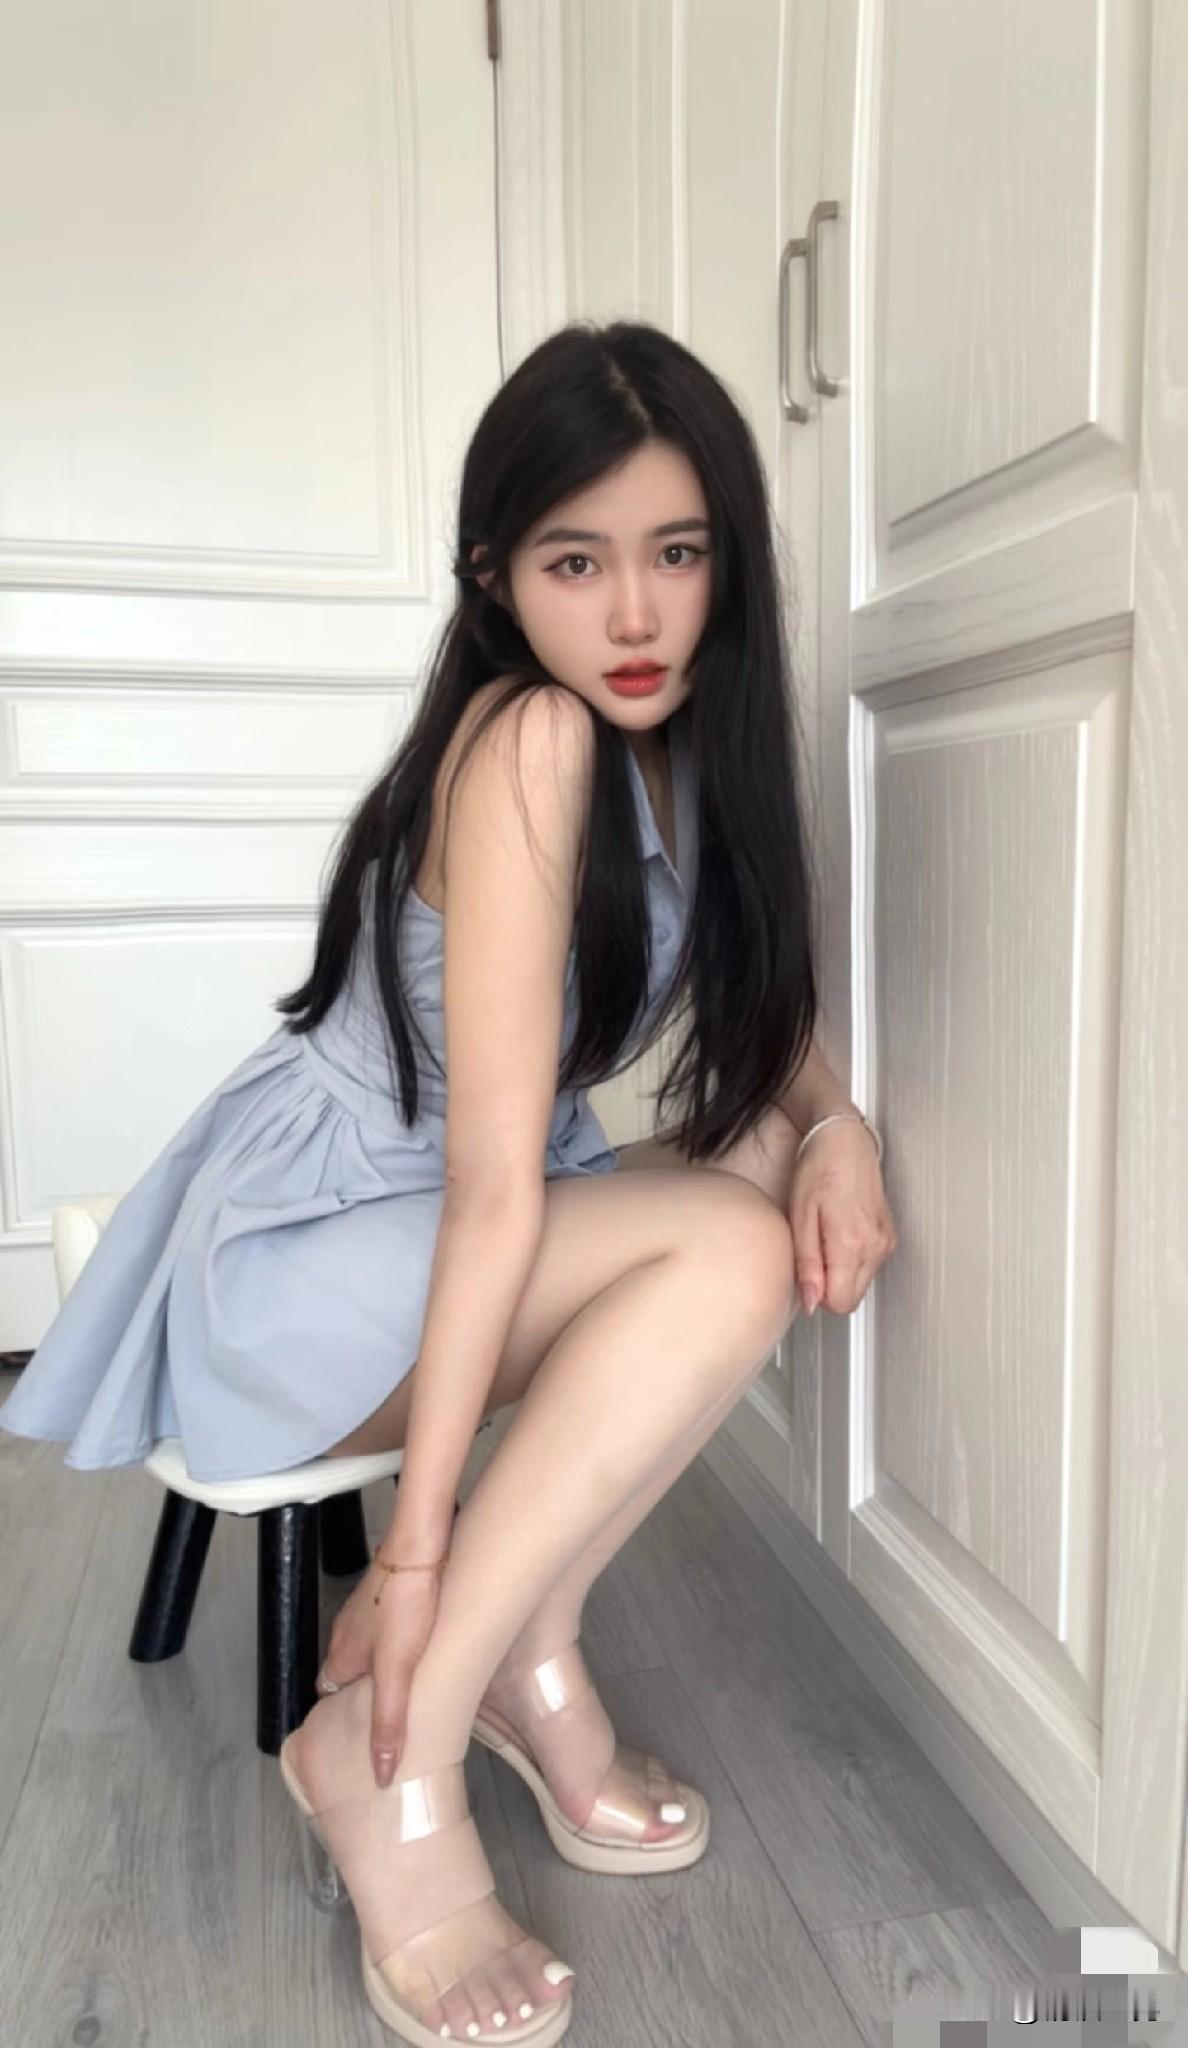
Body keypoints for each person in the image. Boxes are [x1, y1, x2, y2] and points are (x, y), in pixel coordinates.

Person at [0, 319, 897, 2046]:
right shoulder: (531, 743)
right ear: (496, 575)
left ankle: (527, 1648)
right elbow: (492, 1188)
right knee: (726, 1251)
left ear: (728, 559)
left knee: (773, 1167)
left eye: (677, 554)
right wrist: (408, 1565)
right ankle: (390, 1744)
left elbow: (757, 1017)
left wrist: (839, 1122)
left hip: (435, 1225)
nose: (634, 615)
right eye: (577, 562)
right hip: (314, 1263)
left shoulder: (679, 745)